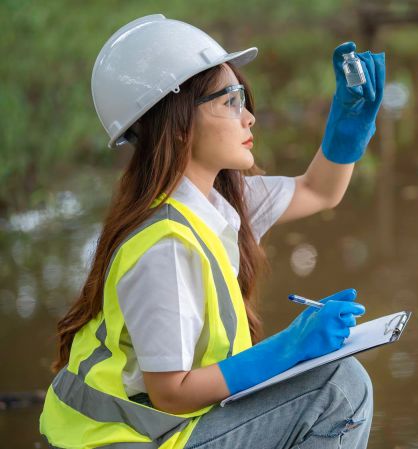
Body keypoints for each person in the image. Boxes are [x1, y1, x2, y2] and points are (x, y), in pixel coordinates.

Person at [39, 14, 385, 449]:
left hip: (169, 430)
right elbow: (171, 393)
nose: (250, 117)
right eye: (231, 100)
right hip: (128, 440)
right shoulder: (164, 245)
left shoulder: (218, 203)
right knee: (337, 386)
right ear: (180, 122)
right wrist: (289, 348)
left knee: (335, 378)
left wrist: (348, 128)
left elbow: (318, 191)